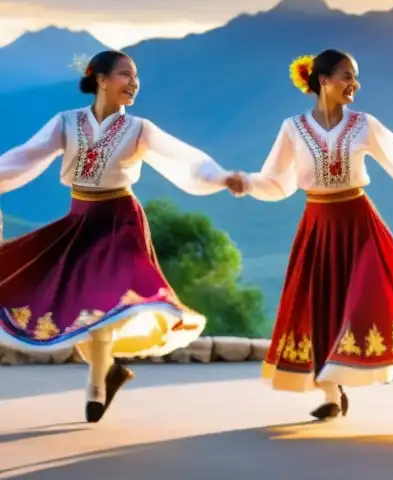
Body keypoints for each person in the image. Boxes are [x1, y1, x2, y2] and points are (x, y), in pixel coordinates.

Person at [0, 50, 241, 423]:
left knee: (106, 306)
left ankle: (95, 390)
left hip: (120, 222)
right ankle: (109, 371)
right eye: (125, 75)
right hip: (79, 221)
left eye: (136, 76)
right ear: (100, 79)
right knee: (75, 314)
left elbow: (182, 157)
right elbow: (24, 157)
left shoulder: (139, 129)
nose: (134, 83)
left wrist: (221, 176)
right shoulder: (66, 123)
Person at [230, 50, 393, 421]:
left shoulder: (364, 124)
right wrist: (247, 182)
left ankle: (347, 371)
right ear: (323, 80)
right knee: (319, 304)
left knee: (364, 298)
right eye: (347, 76)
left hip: (358, 221)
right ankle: (330, 392)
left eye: (356, 77)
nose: (355, 85)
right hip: (317, 222)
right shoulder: (293, 129)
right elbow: (276, 181)